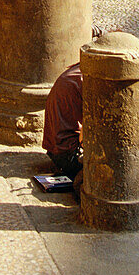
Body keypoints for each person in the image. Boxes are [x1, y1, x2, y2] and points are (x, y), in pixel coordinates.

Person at [42, 26, 103, 180]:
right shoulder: (90, 79)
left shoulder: (81, 69)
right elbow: (88, 134)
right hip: (67, 155)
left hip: (56, 149)